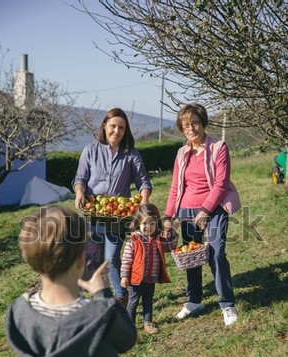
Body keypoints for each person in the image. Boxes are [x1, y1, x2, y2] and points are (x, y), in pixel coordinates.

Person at [5, 206, 137, 357]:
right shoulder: (99, 315)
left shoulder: (19, 310)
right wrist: (102, 294)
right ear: (81, 258)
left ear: (29, 259)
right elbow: (128, 337)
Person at [163, 103, 241, 326]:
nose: (191, 128)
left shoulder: (218, 147)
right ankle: (194, 300)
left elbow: (221, 183)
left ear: (203, 123)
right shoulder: (181, 153)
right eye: (186, 125)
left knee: (216, 254)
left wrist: (205, 210)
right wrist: (169, 217)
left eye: (195, 123)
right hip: (186, 210)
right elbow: (175, 188)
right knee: (191, 257)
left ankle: (227, 304)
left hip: (213, 208)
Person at [72, 108, 152, 309]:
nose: (117, 131)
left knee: (111, 258)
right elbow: (80, 179)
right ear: (105, 127)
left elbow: (143, 181)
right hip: (93, 212)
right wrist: (80, 192)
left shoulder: (131, 154)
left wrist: (143, 202)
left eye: (121, 128)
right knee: (92, 258)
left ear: (126, 131)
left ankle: (121, 296)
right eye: (113, 126)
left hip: (119, 215)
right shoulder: (90, 151)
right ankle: (95, 300)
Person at [121, 203, 178, 334]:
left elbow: (170, 247)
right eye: (145, 224)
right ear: (138, 224)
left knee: (148, 301)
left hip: (150, 278)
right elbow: (126, 260)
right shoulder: (133, 241)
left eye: (152, 224)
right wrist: (124, 276)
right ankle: (130, 325)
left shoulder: (158, 239)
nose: (148, 227)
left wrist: (173, 233)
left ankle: (148, 323)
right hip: (136, 279)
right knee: (133, 303)